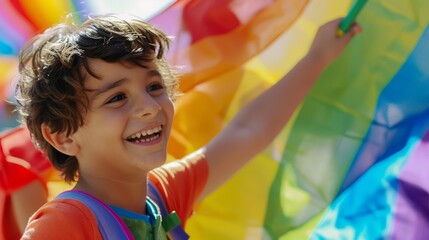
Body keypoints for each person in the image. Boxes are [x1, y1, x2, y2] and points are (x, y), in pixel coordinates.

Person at [15, 13, 361, 239]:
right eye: (117, 98)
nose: (150, 108)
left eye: (154, 87)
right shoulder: (64, 225)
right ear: (62, 136)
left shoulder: (163, 195)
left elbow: (248, 132)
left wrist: (316, 59)